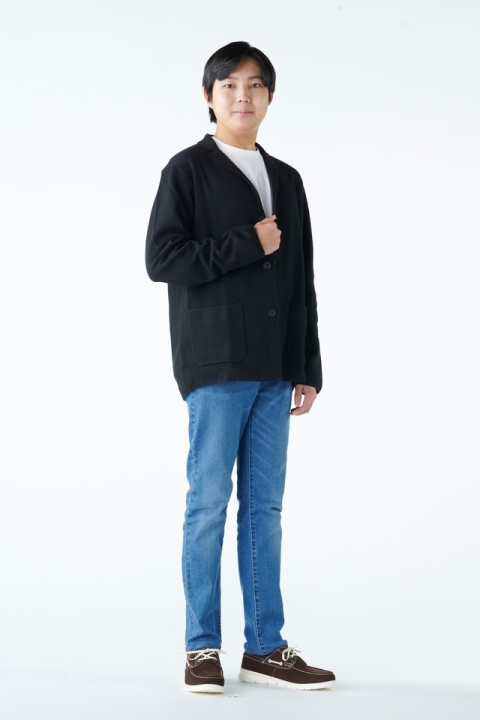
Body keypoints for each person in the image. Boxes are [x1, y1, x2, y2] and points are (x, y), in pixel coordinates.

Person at [145, 41, 336, 693]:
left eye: (255, 85)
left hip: (275, 365)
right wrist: (246, 242)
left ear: (270, 97)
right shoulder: (187, 171)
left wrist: (306, 364)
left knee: (265, 509)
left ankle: (265, 647)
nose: (242, 96)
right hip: (216, 360)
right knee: (207, 504)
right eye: (228, 85)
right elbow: (162, 259)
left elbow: (301, 277)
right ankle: (201, 647)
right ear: (209, 96)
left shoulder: (286, 178)